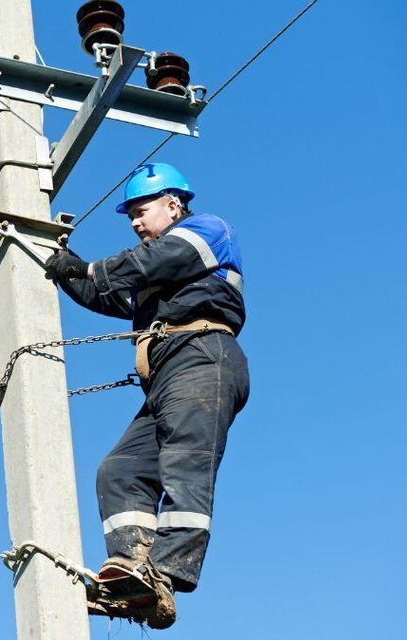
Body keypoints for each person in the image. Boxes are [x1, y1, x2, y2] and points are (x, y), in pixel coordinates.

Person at [43, 162, 250, 629]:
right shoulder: (157, 272)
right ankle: (132, 574)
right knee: (120, 470)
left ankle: (166, 571)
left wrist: (90, 266)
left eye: (142, 210)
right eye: (130, 215)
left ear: (174, 204)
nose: (136, 222)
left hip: (203, 356)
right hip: (169, 375)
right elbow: (106, 294)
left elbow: (144, 264)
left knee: (184, 459)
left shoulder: (207, 232)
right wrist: (61, 265)